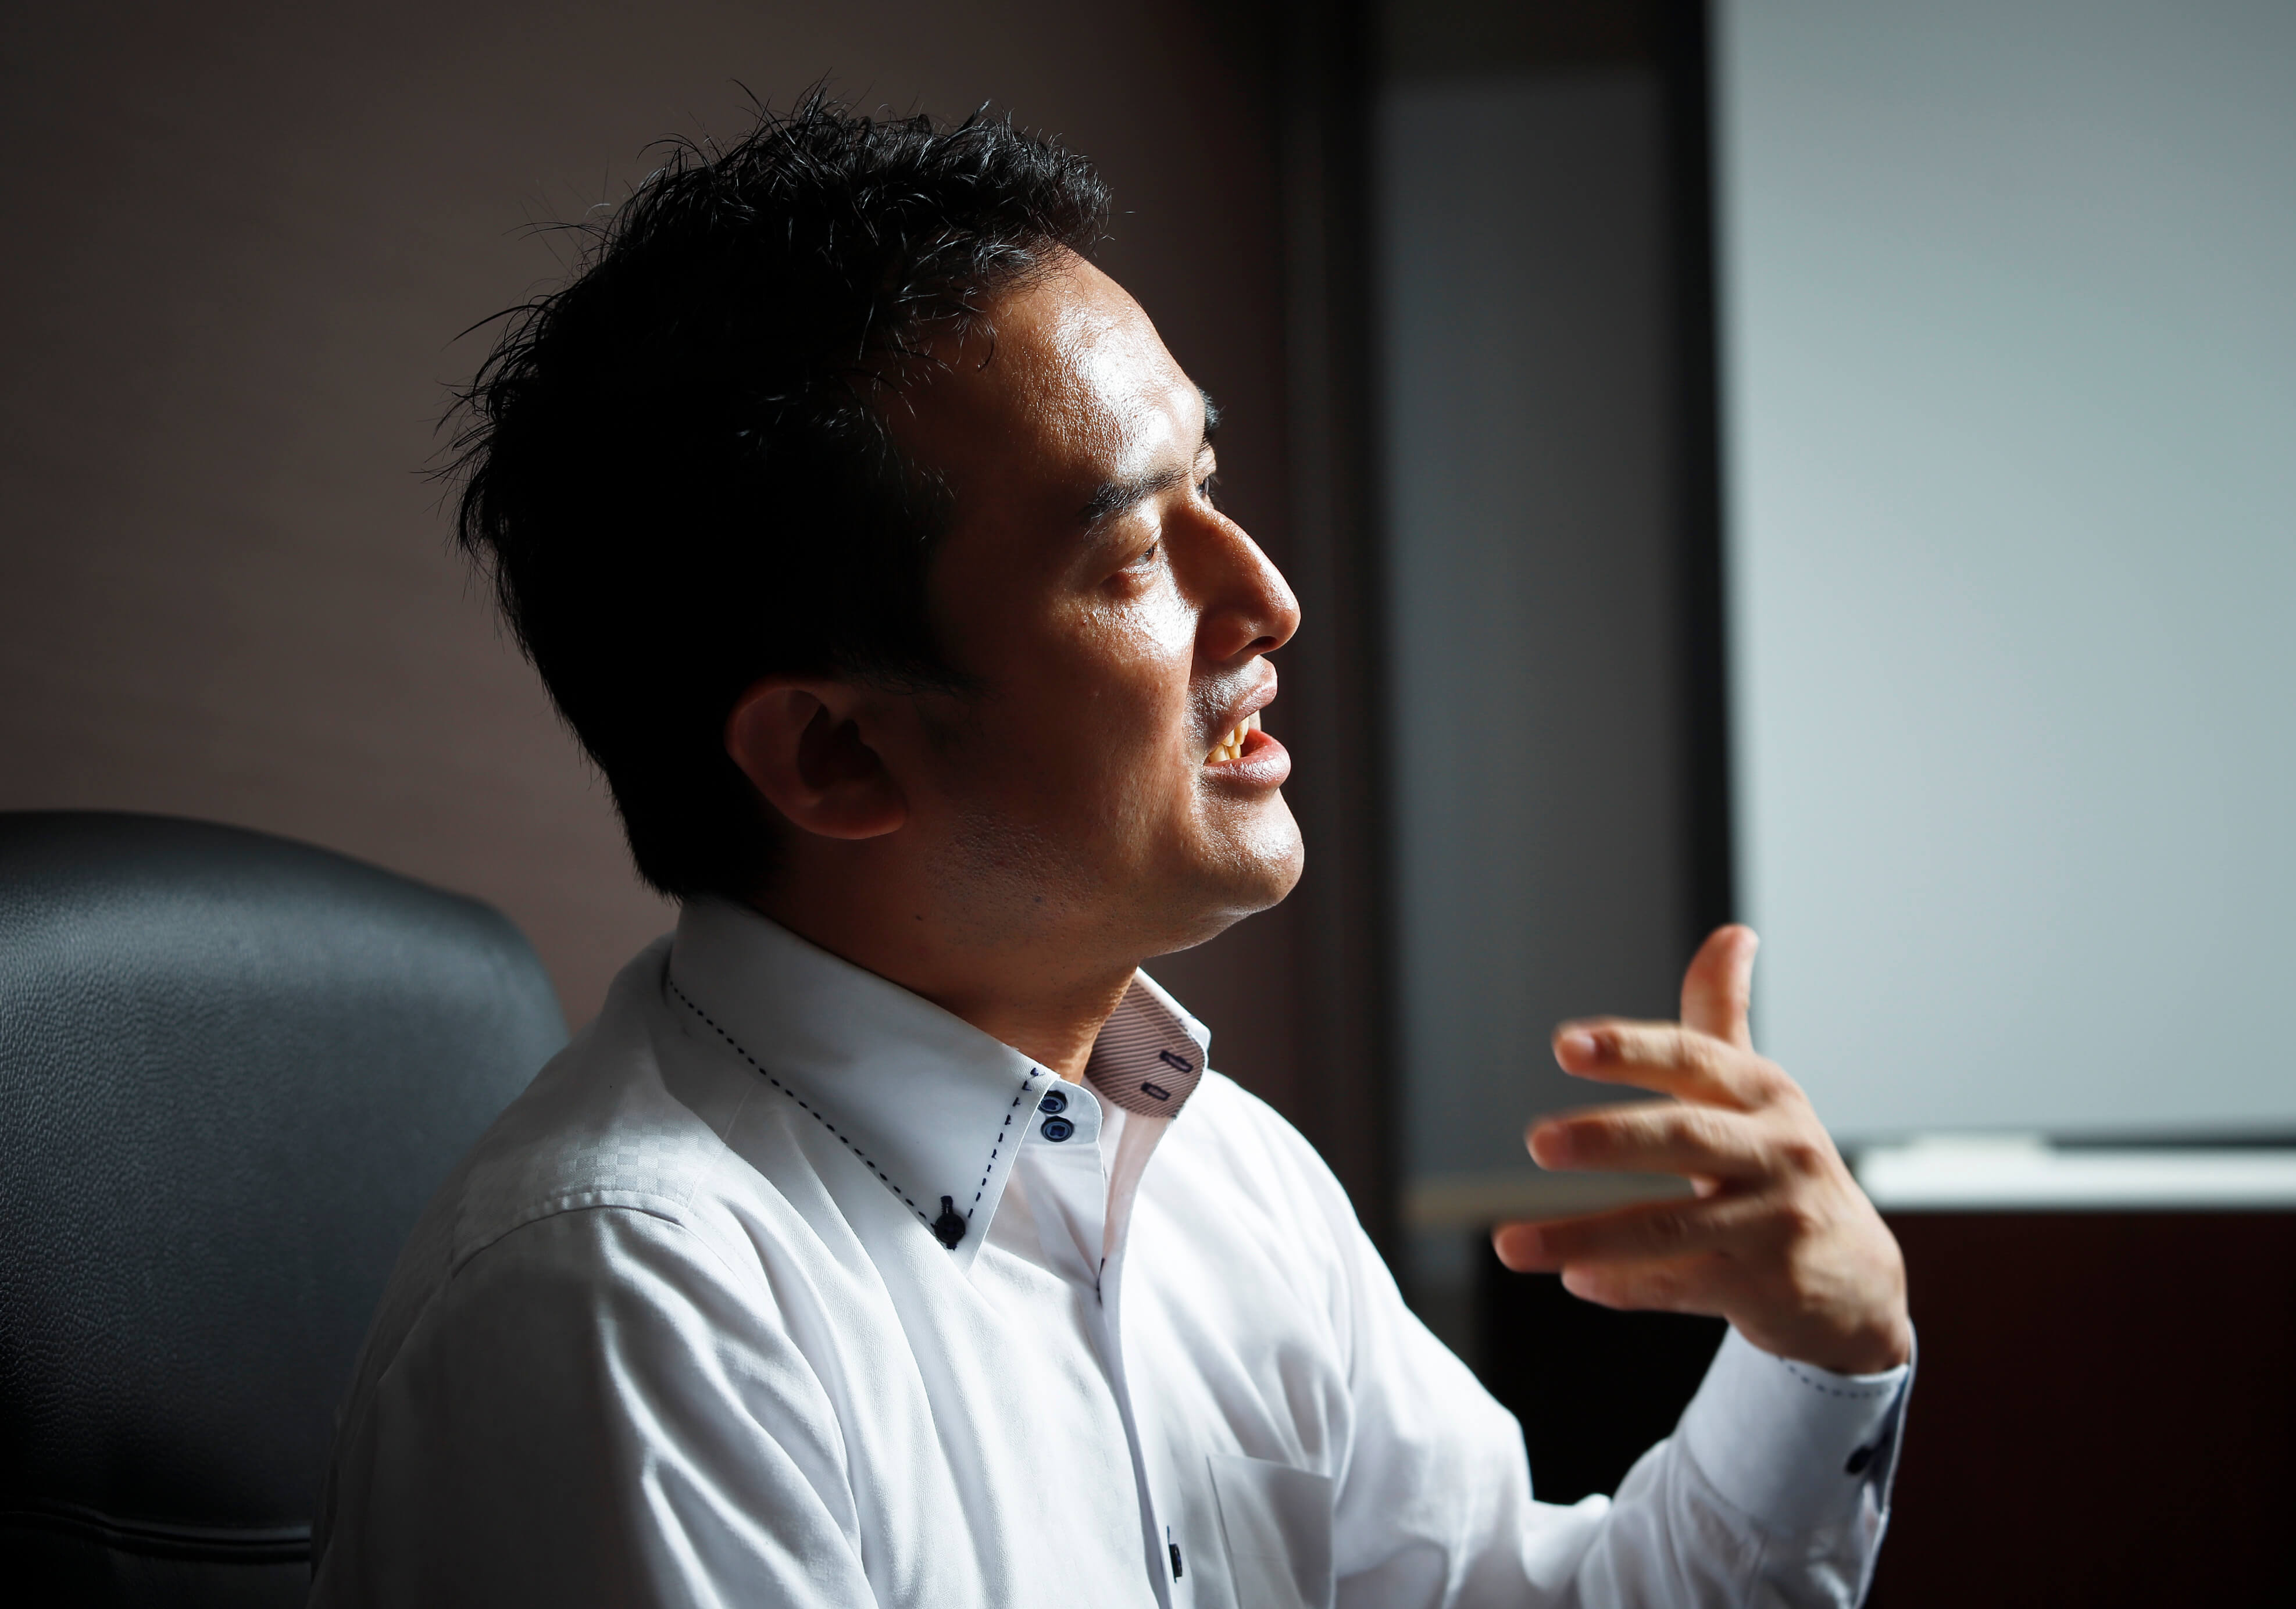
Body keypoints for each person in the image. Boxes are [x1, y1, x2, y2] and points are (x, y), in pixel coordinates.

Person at [309, 96, 1913, 1607]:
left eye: (1208, 481)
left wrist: (1820, 1361)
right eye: (1137, 544)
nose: (1269, 597)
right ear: (837, 753)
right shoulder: (631, 1306)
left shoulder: (1223, 1175)